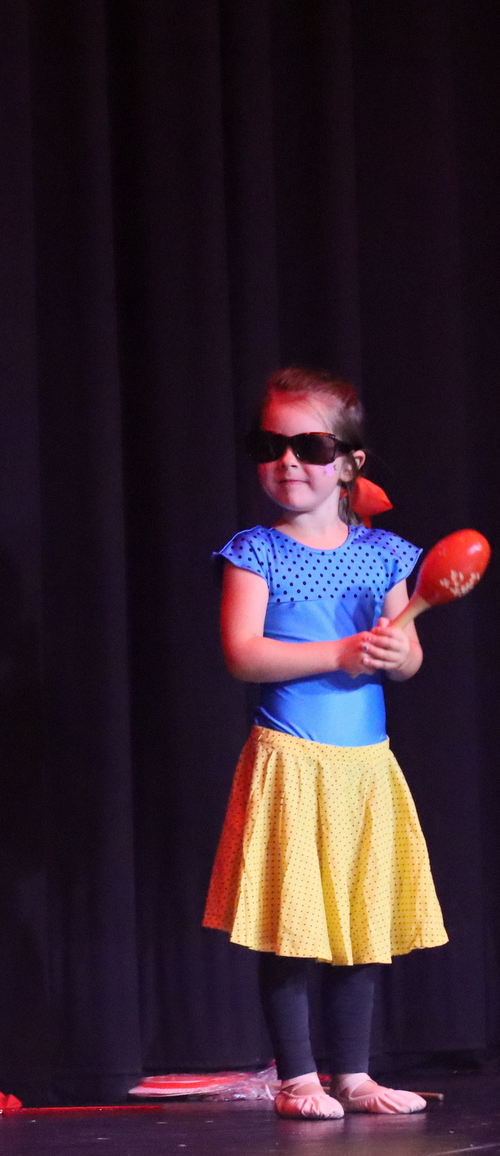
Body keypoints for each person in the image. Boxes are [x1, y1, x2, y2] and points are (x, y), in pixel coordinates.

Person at [204, 367, 446, 1120]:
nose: (287, 461)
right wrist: (340, 652)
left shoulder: (386, 554)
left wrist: (395, 651)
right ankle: (299, 1079)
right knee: (292, 924)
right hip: (291, 762)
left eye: (308, 446)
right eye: (269, 446)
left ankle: (354, 1075)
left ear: (348, 462)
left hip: (365, 770)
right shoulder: (255, 551)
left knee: (359, 919)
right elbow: (243, 654)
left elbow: (408, 659)